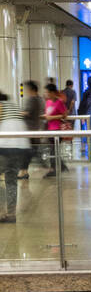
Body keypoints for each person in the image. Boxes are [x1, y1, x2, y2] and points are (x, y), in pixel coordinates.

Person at [0, 91, 26, 223]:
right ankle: (11, 214)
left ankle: (0, 212)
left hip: (4, 147)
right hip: (20, 147)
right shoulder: (14, 106)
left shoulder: (1, 106)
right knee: (11, 181)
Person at [41, 82, 70, 176]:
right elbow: (47, 114)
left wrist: (52, 117)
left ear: (53, 93)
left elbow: (65, 115)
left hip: (57, 129)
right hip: (50, 129)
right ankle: (62, 166)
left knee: (53, 150)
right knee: (54, 150)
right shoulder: (48, 102)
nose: (46, 94)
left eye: (48, 92)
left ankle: (53, 169)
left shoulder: (59, 102)